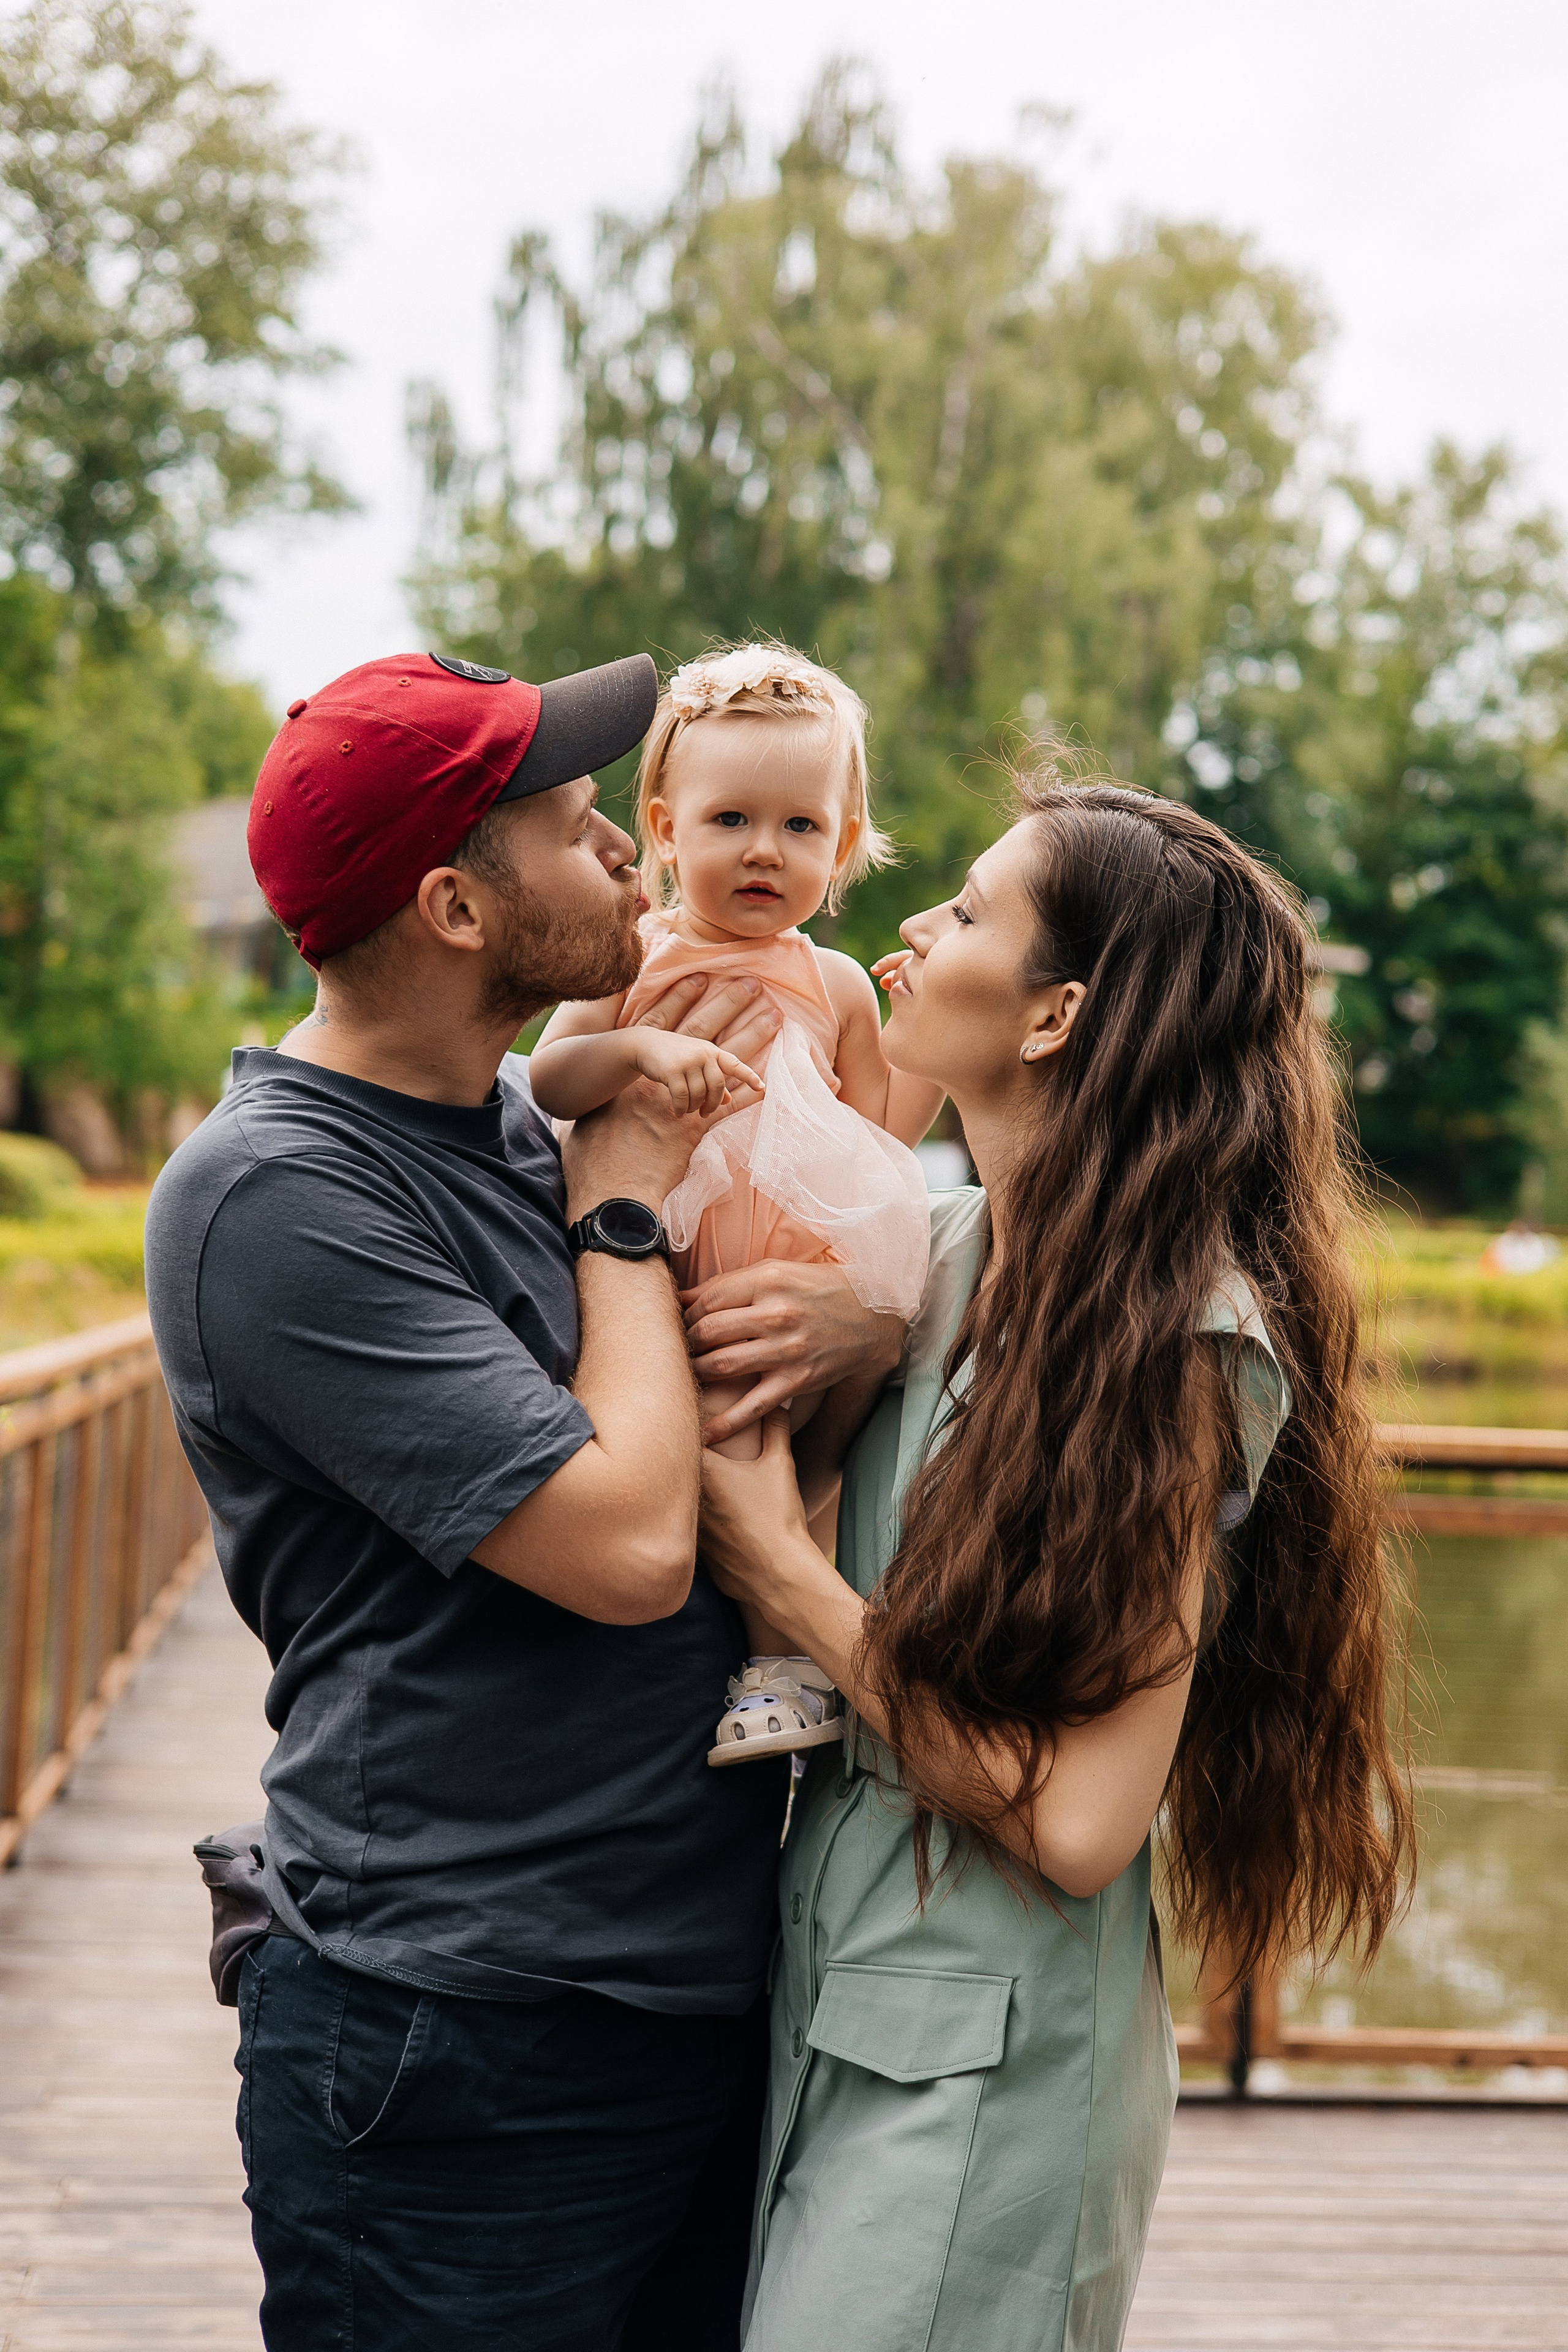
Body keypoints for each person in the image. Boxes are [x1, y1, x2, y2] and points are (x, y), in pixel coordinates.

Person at [144, 649, 902, 2352]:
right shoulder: (278, 1197)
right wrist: (622, 1208)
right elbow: (634, 1549)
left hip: (684, 1991)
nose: (632, 853)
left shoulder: (507, 1121)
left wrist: (859, 1304)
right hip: (461, 2031)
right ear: (456, 909)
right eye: (574, 825)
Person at [699, 775, 1415, 2352]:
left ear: (1052, 1018)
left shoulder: (1174, 1353)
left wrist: (788, 1581)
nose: (908, 927)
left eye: (962, 911)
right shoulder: (929, 1260)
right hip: (831, 2005)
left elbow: (1085, 1825)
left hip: (991, 2073)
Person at [530, 643, 941, 1772]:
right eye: (729, 821)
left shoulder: (837, 984)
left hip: (791, 1263)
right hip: (670, 1257)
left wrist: (934, 1044)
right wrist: (641, 1046)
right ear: (664, 830)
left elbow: (880, 1136)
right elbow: (551, 1082)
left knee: (811, 1462)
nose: (765, 851)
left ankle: (794, 1663)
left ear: (844, 847)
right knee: (723, 1435)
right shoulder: (635, 955)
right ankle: (778, 1670)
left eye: (802, 828)